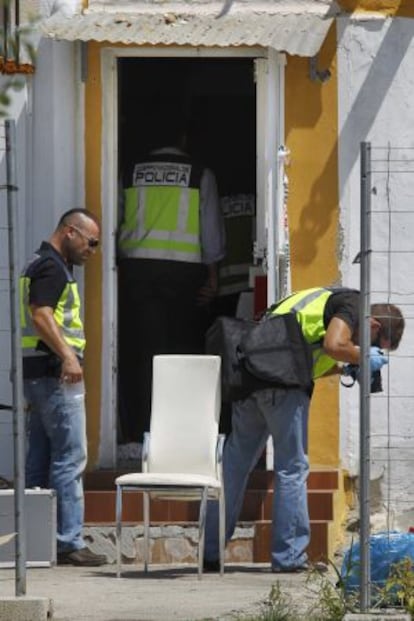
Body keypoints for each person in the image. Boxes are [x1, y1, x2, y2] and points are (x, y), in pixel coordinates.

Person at [203, 286, 405, 572]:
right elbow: (335, 345)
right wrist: (361, 356)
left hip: (250, 382)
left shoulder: (318, 299)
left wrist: (345, 368)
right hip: (283, 388)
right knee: (292, 469)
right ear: (373, 324)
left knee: (235, 467)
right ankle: (289, 559)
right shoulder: (354, 304)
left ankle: (209, 552)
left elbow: (307, 353)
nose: (369, 350)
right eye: (375, 345)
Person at [117, 112, 225, 452]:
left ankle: (139, 431)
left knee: (142, 352)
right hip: (182, 274)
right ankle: (179, 434)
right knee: (181, 351)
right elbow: (211, 232)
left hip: (136, 271)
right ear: (183, 139)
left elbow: (116, 218)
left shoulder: (130, 172)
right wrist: (212, 275)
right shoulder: (199, 174)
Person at [21, 208, 107, 567]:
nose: (93, 250)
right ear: (70, 232)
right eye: (91, 242)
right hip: (56, 375)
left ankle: (34, 539)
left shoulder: (40, 263)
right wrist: (69, 357)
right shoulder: (51, 267)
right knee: (70, 457)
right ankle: (67, 540)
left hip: (39, 375)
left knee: (40, 460)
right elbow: (40, 314)